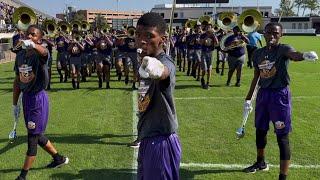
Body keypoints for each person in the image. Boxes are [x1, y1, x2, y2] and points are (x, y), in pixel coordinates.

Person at [243, 22, 318, 180]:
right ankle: (260, 162)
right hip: (263, 95)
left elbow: (294, 55)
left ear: (281, 35)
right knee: (260, 130)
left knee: (282, 136)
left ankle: (282, 177)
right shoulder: (257, 53)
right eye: (269, 33)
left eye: (275, 33)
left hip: (279, 96)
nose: (272, 36)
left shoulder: (283, 49)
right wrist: (248, 99)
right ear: (264, 33)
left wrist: (303, 55)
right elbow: (257, 77)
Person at [13, 25, 69, 180]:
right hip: (26, 98)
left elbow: (44, 52)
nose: (30, 37)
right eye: (27, 34)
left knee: (32, 138)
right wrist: (14, 104)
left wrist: (34, 45)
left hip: (38, 98)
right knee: (37, 134)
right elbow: (17, 80)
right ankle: (59, 158)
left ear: (39, 38)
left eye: (33, 35)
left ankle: (22, 176)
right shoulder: (20, 55)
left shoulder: (41, 54)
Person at [135, 12, 181, 179]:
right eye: (138, 35)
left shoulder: (163, 61)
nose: (142, 40)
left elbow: (164, 71)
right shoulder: (144, 60)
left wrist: (154, 67)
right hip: (148, 139)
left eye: (149, 36)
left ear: (163, 39)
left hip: (161, 141)